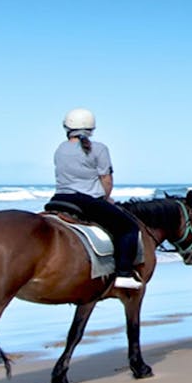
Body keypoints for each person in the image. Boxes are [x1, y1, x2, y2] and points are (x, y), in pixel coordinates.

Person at [51, 108, 143, 289]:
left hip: (59, 198)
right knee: (129, 227)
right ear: (91, 129)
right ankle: (124, 274)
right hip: (87, 202)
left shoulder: (60, 149)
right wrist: (106, 198)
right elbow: (106, 180)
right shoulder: (99, 148)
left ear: (67, 127)